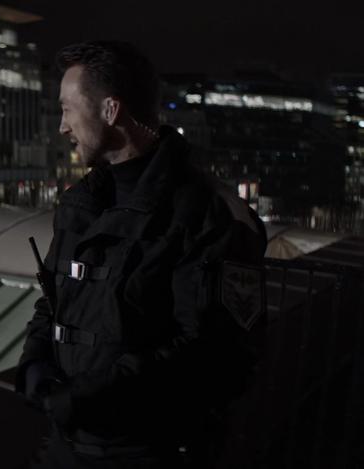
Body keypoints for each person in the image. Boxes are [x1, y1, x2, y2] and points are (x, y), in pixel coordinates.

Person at [17, 41, 267, 468]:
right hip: (65, 447)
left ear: (111, 111)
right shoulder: (82, 203)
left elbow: (213, 353)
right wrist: (34, 361)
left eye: (67, 109)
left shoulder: (207, 214)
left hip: (151, 453)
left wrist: (90, 396)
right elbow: (55, 298)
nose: (62, 127)